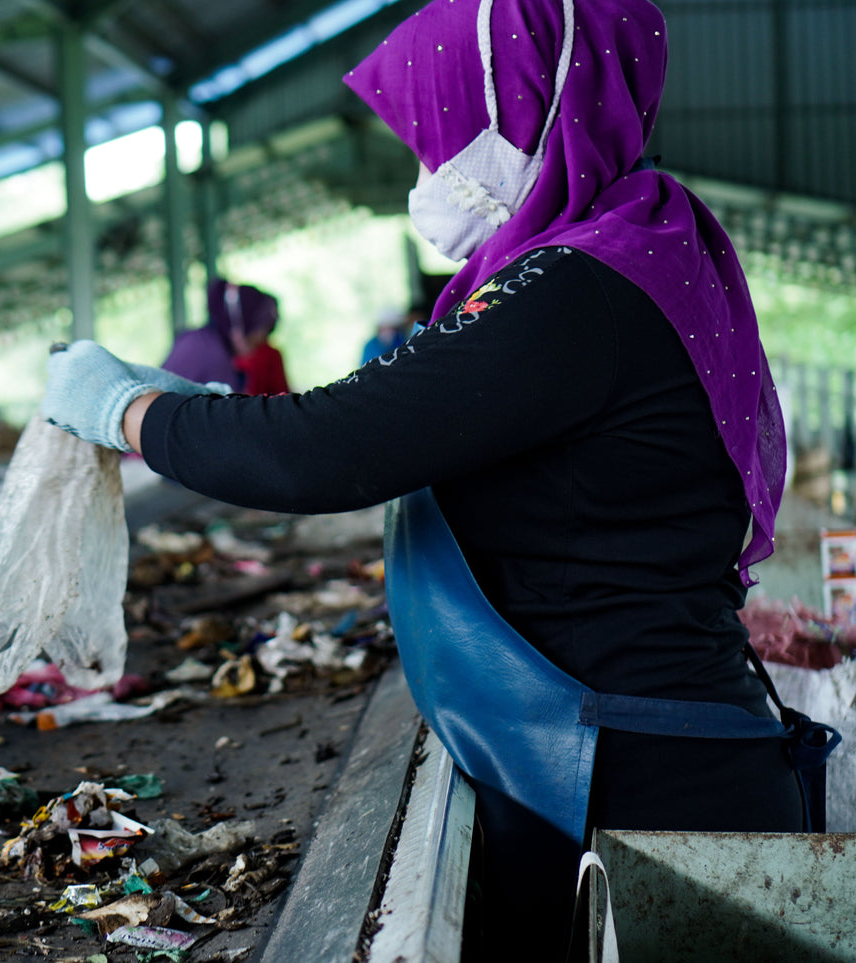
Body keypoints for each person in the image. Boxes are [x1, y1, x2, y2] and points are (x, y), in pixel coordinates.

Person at [41, 0, 840, 956]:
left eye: (444, 143)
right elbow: (629, 498)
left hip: (628, 783)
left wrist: (124, 409)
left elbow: (322, 448)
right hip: (646, 741)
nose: (431, 176)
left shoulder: (575, 289)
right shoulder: (643, 244)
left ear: (536, 110)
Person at [162, 278, 289, 395]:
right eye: (262, 331)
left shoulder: (194, 339)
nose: (263, 340)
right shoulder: (215, 357)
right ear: (240, 329)